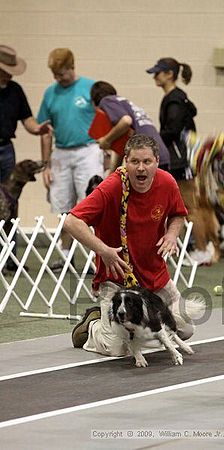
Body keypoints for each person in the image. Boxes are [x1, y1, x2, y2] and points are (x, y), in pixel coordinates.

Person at [64, 134, 194, 356]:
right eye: (135, 162)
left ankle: (131, 327)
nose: (141, 168)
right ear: (126, 161)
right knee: (117, 349)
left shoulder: (167, 183)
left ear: (156, 162)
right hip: (118, 282)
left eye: (147, 162)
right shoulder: (111, 187)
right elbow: (71, 221)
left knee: (184, 330)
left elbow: (177, 215)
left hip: (155, 278)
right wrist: (103, 250)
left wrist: (172, 235)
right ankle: (93, 324)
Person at [37, 48, 104, 271]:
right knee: (62, 205)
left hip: (88, 149)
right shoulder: (50, 93)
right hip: (61, 153)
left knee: (93, 202)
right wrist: (45, 164)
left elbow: (106, 118)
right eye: (55, 75)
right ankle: (64, 255)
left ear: (72, 67)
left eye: (62, 73)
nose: (58, 78)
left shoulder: (89, 88)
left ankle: (99, 255)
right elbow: (45, 131)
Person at [146, 58, 215, 265]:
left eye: (158, 73)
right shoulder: (176, 98)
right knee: (184, 206)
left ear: (169, 74)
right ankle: (193, 248)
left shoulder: (174, 99)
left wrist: (154, 141)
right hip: (179, 159)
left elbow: (172, 130)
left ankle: (202, 250)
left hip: (181, 160)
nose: (154, 77)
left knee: (190, 207)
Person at [0, 45, 52, 271]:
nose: (10, 73)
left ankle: (9, 257)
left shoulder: (15, 90)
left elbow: (28, 120)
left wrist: (38, 129)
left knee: (11, 205)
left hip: (5, 150)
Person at [90, 81, 170, 174]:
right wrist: (113, 174)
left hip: (147, 159)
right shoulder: (123, 103)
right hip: (159, 156)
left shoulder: (107, 101)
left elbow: (126, 121)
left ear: (94, 101)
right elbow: (123, 146)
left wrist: (106, 140)